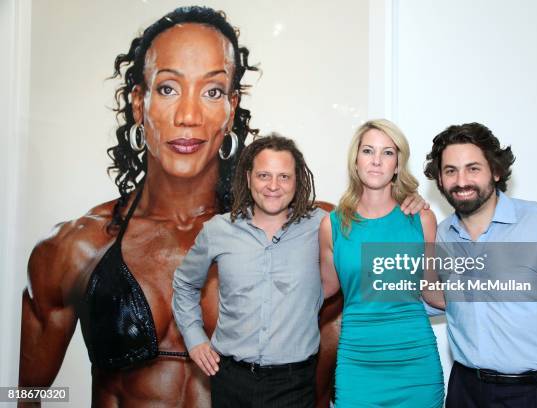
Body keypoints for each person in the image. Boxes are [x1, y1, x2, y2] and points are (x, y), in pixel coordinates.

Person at [19, 6, 259, 407]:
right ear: (138, 102)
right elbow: (23, 394)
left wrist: (402, 204)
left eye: (212, 91)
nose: (188, 116)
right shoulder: (76, 248)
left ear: (231, 109)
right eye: (168, 88)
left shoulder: (286, 236)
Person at [424, 122, 537, 408]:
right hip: (465, 392)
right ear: (439, 179)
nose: (461, 181)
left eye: (473, 168)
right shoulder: (441, 236)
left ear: (496, 171)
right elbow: (424, 299)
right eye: (451, 170)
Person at [173, 135, 325, 407]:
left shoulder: (322, 226)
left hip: (294, 385)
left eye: (284, 177)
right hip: (230, 381)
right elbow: (184, 284)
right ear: (248, 178)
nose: (273, 186)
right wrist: (194, 338)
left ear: (297, 180)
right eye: (264, 175)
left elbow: (371, 218)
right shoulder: (218, 230)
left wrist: (412, 205)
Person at [320, 119, 445, 407]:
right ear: (355, 160)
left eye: (388, 153)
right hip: (357, 367)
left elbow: (431, 291)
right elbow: (324, 289)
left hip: (416, 367)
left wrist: (494, 295)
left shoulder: (421, 219)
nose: (376, 161)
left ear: (398, 164)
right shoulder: (333, 225)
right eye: (368, 151)